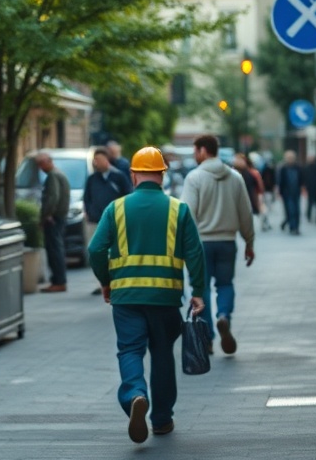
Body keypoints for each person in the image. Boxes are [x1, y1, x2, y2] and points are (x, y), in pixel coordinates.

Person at [89, 146, 206, 443]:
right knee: (163, 354)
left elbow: (95, 249)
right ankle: (163, 419)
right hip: (165, 298)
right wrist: (200, 292)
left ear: (133, 174)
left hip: (126, 297)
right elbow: (195, 253)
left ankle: (135, 395)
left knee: (129, 350)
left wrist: (106, 281)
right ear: (163, 176)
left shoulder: (115, 209)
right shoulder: (178, 209)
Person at [181, 134, 255, 356]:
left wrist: (186, 246)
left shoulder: (194, 178)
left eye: (195, 151)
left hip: (202, 244)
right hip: (227, 242)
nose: (195, 156)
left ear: (203, 151)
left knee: (200, 291)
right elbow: (246, 213)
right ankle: (224, 316)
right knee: (225, 284)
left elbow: (187, 215)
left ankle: (207, 339)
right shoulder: (235, 177)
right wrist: (249, 242)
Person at [82, 148, 132, 295]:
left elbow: (127, 196)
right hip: (96, 220)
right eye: (94, 160)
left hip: (116, 221)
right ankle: (103, 281)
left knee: (116, 251)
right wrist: (89, 213)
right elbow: (87, 198)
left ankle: (118, 279)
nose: (96, 163)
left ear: (107, 160)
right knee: (98, 251)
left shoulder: (119, 177)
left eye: (99, 159)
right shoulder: (92, 179)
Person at [37, 152, 71, 293]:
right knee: (56, 248)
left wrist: (47, 214)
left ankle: (58, 281)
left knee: (54, 249)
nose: (40, 167)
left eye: (41, 163)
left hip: (54, 218)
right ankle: (58, 280)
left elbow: (53, 196)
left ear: (48, 161)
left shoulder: (53, 176)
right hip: (59, 217)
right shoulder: (59, 174)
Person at [276, 150, 304, 235]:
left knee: (297, 210)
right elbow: (280, 181)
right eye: (288, 158)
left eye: (291, 158)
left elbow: (301, 179)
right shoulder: (283, 168)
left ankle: (296, 227)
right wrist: (279, 192)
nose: (290, 159)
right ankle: (292, 227)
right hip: (287, 193)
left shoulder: (298, 167)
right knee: (290, 210)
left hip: (296, 192)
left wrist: (302, 188)